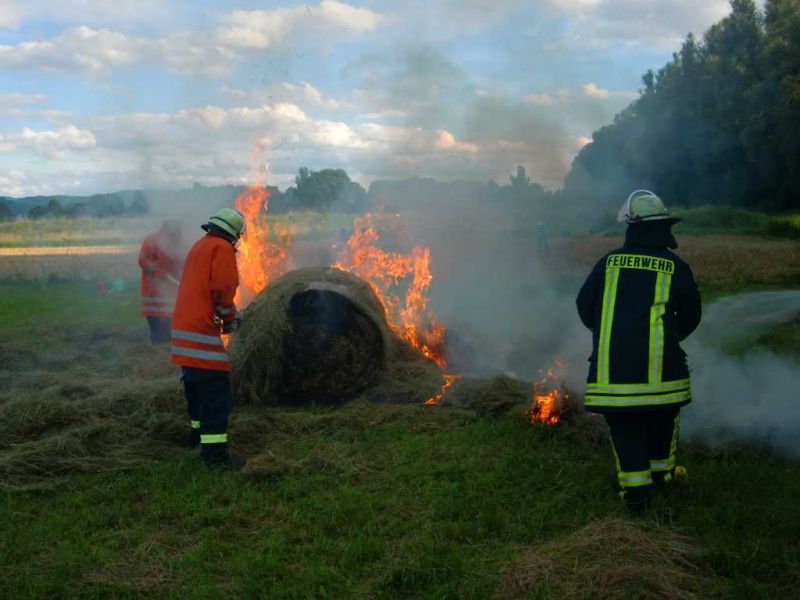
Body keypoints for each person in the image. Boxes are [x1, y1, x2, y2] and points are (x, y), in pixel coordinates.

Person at [576, 190, 701, 512]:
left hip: (614, 375)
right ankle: (663, 477)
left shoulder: (608, 263)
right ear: (664, 229)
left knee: (626, 427)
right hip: (664, 373)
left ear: (631, 228)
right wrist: (673, 338)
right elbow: (692, 314)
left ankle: (636, 494)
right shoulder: (675, 267)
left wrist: (604, 333)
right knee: (662, 419)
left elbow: (584, 304)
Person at [170, 208, 246, 470]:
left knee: (195, 384)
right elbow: (223, 289)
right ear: (234, 235)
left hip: (183, 325)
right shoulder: (222, 249)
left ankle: (196, 435)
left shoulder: (200, 245)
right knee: (216, 390)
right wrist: (229, 319)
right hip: (201, 327)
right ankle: (215, 456)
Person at [138, 220, 184, 344]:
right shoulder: (152, 241)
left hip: (171, 297)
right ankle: (157, 356)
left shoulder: (178, 243)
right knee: (159, 334)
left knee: (172, 331)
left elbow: (181, 264)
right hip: (153, 297)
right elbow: (143, 261)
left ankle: (168, 355)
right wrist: (160, 272)